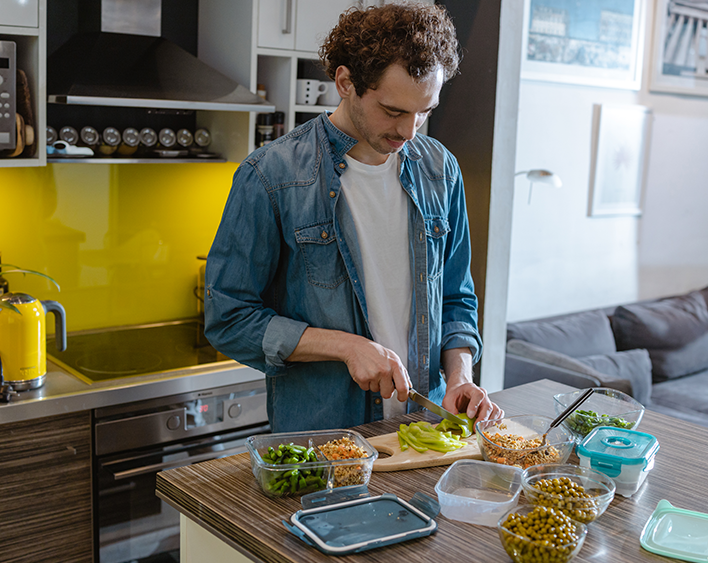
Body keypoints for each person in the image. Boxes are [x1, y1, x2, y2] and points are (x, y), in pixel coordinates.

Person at [204, 2, 502, 432]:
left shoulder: (441, 169)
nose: (409, 131)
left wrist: (461, 374)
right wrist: (345, 347)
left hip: (427, 432)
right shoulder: (271, 176)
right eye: (394, 111)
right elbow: (228, 318)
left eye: (425, 112)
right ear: (345, 82)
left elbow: (456, 298)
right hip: (326, 443)